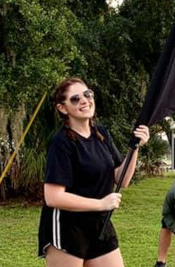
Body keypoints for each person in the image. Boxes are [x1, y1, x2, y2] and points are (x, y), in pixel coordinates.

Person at [37, 77, 150, 267]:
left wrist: (134, 148)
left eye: (87, 94)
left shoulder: (101, 134)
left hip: (100, 223)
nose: (84, 100)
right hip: (67, 227)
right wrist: (100, 203)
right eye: (75, 99)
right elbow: (53, 197)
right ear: (62, 108)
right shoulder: (62, 142)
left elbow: (121, 179)